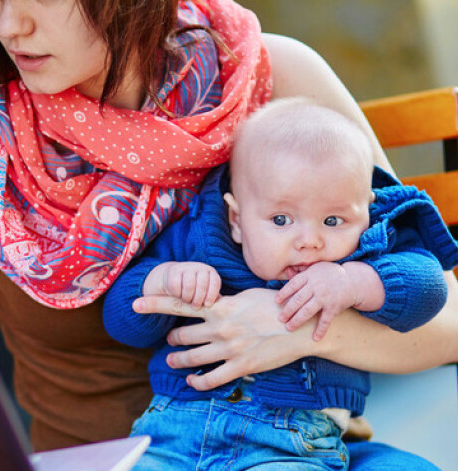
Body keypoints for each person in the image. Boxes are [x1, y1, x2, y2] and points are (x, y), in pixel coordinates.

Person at [0, 0, 458, 466]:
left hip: (310, 450)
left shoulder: (269, 79)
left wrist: (299, 329)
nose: (11, 23)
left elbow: (449, 319)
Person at [103, 97, 458, 469]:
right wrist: (162, 280)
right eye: (282, 220)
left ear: (366, 214)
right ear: (237, 219)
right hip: (171, 437)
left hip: (290, 446)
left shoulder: (363, 252)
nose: (310, 241)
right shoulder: (198, 240)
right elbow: (121, 321)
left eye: (333, 221)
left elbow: (429, 287)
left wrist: (354, 281)